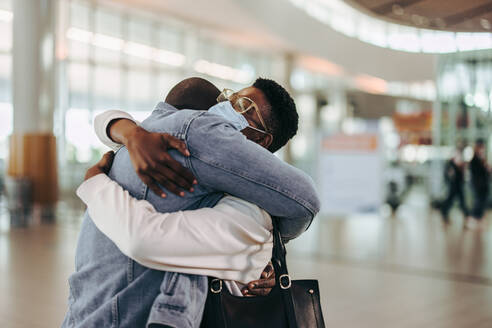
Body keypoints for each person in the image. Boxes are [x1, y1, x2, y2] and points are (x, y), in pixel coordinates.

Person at [62, 77, 320, 328]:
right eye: (231, 97)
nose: (228, 106)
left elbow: (305, 199)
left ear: (262, 141)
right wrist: (129, 133)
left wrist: (95, 182)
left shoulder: (244, 206)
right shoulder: (166, 143)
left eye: (243, 107)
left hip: (93, 310)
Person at [440, 148, 468, 222]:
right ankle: (444, 212)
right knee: (450, 200)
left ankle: (466, 216)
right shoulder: (450, 164)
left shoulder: (460, 164)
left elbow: (461, 176)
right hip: (454, 186)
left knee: (461, 201)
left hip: (458, 186)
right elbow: (448, 175)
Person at [468, 139, 490, 228]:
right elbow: (476, 173)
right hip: (478, 185)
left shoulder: (482, 159)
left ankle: (479, 218)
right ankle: (473, 218)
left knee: (482, 201)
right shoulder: (474, 160)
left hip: (483, 185)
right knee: (478, 202)